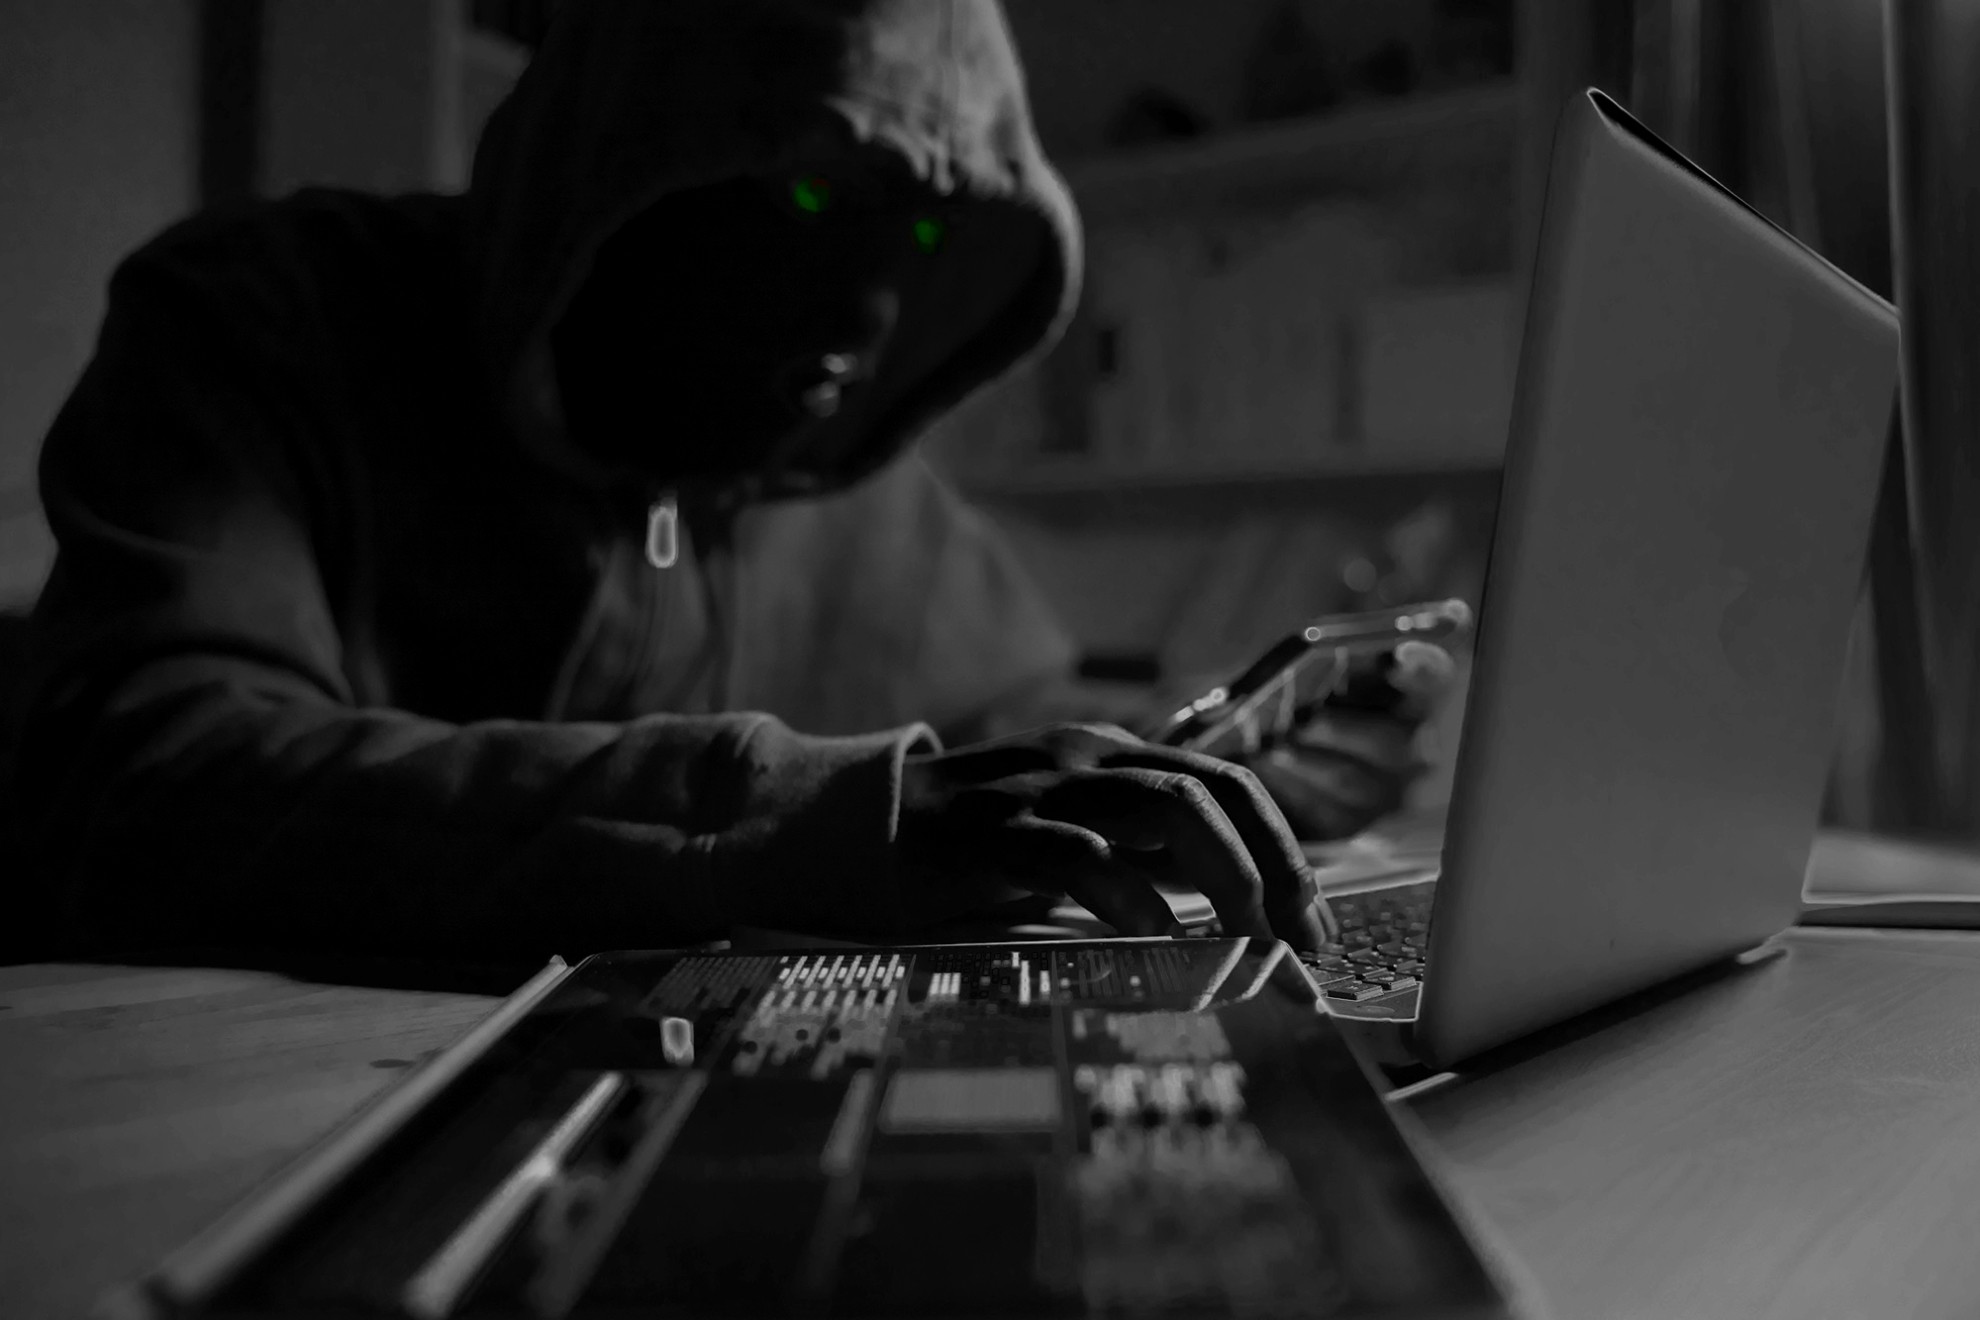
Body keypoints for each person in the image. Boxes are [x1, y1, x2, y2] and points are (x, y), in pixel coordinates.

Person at [13, 0, 1449, 963]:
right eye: (811, 189)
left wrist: (1219, 769)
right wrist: (801, 820)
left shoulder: (850, 483)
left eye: (932, 230)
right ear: (616, 149)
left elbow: (1019, 743)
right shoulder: (267, 321)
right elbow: (138, 787)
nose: (873, 318)